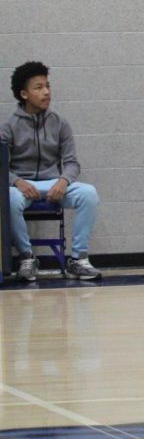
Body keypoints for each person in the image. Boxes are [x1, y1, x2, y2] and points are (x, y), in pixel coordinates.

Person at [3, 61, 101, 281]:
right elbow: (1, 167)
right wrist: (17, 181)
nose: (46, 92)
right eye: (38, 87)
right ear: (24, 94)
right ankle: (27, 257)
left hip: (53, 183)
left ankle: (78, 259)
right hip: (22, 186)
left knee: (88, 194)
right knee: (8, 198)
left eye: (47, 86)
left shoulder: (60, 124)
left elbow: (72, 163)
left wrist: (63, 181)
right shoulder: (8, 127)